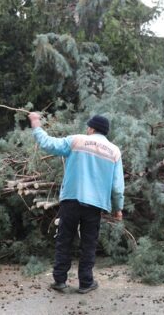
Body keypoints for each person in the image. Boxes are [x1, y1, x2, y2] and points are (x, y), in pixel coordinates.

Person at [29, 113, 125, 294]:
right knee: (88, 243)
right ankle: (86, 283)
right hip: (95, 205)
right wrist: (118, 208)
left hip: (71, 200)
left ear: (91, 128)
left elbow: (48, 143)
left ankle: (59, 281)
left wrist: (36, 124)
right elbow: (118, 187)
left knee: (64, 239)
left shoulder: (76, 141)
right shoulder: (114, 151)